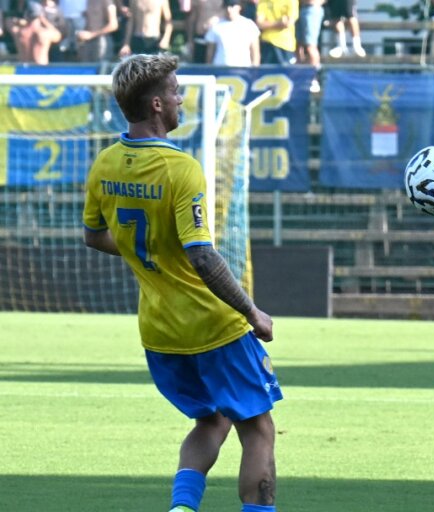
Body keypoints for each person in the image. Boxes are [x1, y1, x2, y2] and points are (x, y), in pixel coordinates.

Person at [82, 53, 281, 512]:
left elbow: (94, 236)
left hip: (160, 334)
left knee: (211, 421)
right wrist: (251, 311)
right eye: (174, 91)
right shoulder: (181, 168)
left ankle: (182, 508)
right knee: (258, 428)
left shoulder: (105, 164)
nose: (180, 98)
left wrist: (148, 251)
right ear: (156, 104)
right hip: (213, 327)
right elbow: (201, 255)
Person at [204, 0, 259, 66]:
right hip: (220, 68)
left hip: (243, 69)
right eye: (226, 6)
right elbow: (210, 53)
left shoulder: (249, 25)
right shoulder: (216, 26)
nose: (229, 9)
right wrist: (209, 69)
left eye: (232, 6)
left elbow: (255, 53)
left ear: (239, 7)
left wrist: (255, 70)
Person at [255, 0, 296, 64]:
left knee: (286, 70)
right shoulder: (263, 1)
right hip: (267, 44)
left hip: (285, 45)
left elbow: (288, 23)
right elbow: (259, 24)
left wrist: (266, 23)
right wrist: (279, 23)